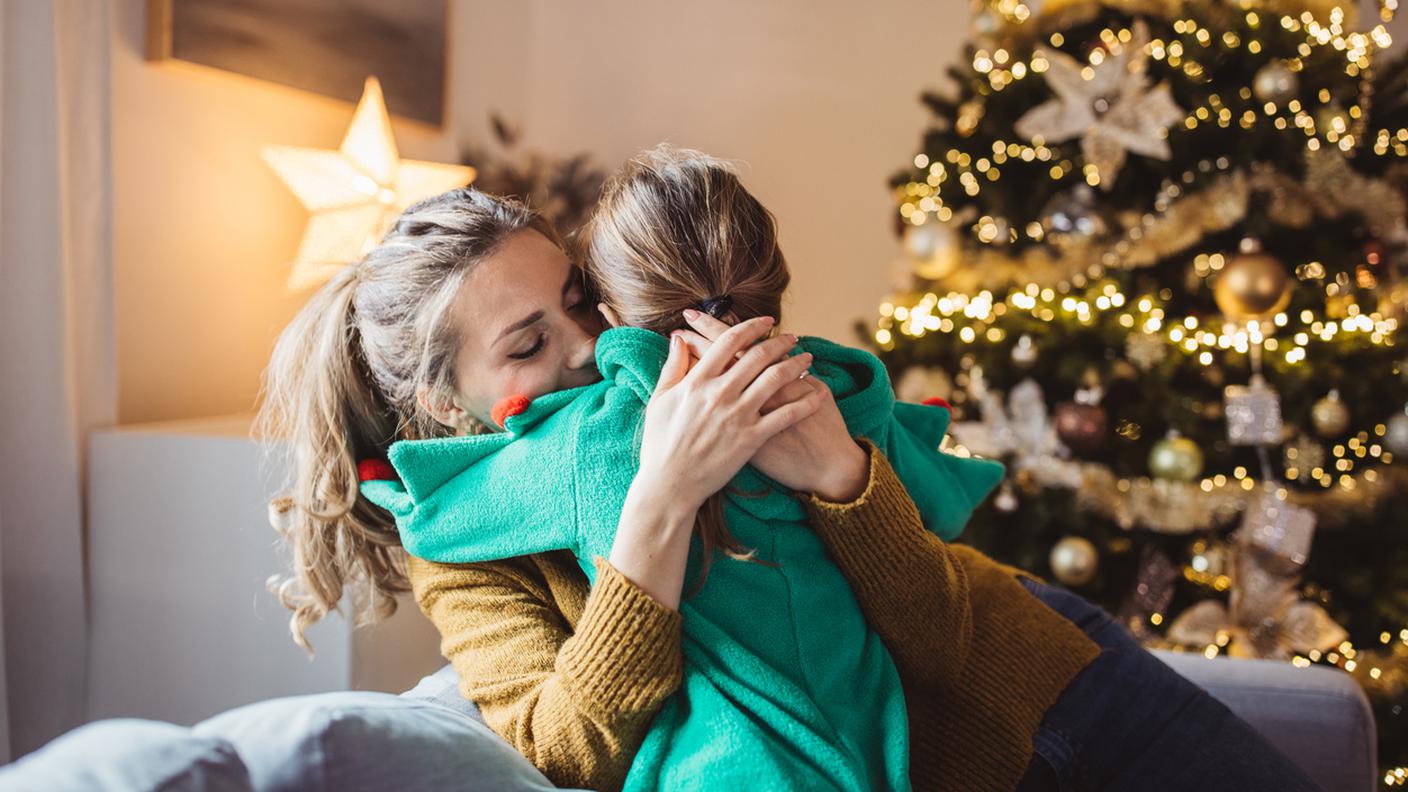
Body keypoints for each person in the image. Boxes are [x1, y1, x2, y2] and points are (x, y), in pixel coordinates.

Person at [256, 159, 1323, 791]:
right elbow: (568, 747)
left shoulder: (703, 366)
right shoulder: (472, 540)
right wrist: (659, 504)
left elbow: (941, 619)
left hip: (1037, 667)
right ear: (444, 404)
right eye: (527, 346)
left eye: (583, 301)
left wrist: (844, 481)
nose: (591, 351)